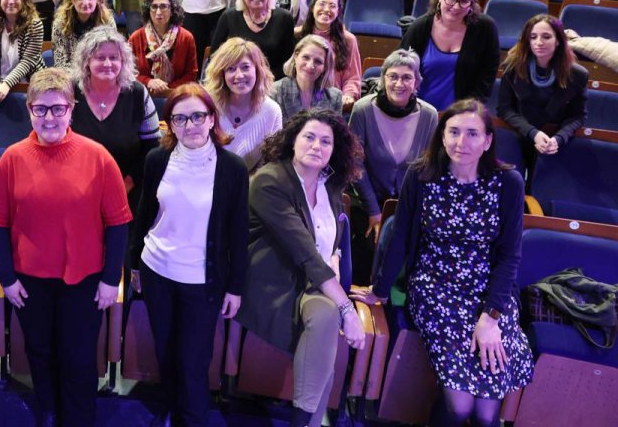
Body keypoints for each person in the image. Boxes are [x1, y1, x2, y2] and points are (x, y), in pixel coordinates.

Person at [356, 99, 534, 427]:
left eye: (471, 134)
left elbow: (509, 256)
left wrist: (490, 317)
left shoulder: (508, 183)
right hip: (436, 286)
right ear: (442, 135)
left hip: (491, 293)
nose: (460, 143)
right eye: (453, 132)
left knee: (485, 415)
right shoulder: (421, 176)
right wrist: (379, 290)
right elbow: (401, 240)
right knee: (462, 409)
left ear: (488, 141)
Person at [0, 67, 131, 427]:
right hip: (28, 283)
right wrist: (8, 277)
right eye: (40, 109)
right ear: (29, 109)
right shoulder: (13, 159)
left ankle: (78, 419)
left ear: (71, 108)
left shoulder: (98, 157)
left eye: (58, 108)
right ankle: (48, 412)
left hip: (84, 281)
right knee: (40, 352)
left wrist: (112, 279)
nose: (49, 117)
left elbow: (118, 223)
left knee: (79, 357)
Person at [128, 83, 248, 427]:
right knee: (165, 351)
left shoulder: (232, 169)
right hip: (157, 272)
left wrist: (235, 287)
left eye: (198, 116)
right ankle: (170, 407)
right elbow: (145, 215)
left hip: (203, 282)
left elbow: (239, 233)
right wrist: (135, 265)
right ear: (170, 125)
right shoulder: (157, 160)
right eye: (180, 119)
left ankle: (191, 418)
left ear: (212, 119)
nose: (190, 125)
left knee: (193, 360)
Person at [238, 110, 367, 427]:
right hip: (272, 281)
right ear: (292, 140)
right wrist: (347, 310)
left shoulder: (330, 187)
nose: (317, 145)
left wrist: (336, 280)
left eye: (326, 141)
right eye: (309, 136)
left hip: (311, 282)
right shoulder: (270, 180)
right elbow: (305, 252)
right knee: (331, 317)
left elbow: (331, 246)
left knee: (325, 318)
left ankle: (305, 421)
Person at [347, 48, 438, 280]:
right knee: (368, 249)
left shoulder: (429, 115)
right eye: (393, 76)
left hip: (408, 202)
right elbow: (355, 163)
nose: (399, 83)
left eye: (407, 77)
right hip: (367, 201)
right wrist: (374, 210)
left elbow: (429, 166)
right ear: (383, 79)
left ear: (417, 82)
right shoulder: (363, 109)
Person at [70, 26, 161, 210]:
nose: (108, 63)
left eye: (114, 57)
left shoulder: (137, 93)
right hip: (76, 190)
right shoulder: (70, 91)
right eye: (100, 57)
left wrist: (127, 184)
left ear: (123, 61)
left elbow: (152, 147)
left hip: (129, 191)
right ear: (86, 61)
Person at [497, 14, 588, 170]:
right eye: (533, 37)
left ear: (558, 41)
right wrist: (533, 133)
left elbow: (578, 116)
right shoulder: (512, 67)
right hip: (521, 134)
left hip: (555, 142)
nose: (539, 42)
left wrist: (559, 138)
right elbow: (504, 109)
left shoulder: (578, 75)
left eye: (546, 37)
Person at [401, 0, 500, 111]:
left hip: (463, 114)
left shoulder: (485, 28)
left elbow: (488, 74)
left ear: (472, 2)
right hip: (418, 111)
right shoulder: (420, 27)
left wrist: (467, 109)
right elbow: (401, 66)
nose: (456, 7)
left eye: (464, 1)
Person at [204, 37, 284, 163]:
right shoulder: (207, 105)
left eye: (245, 67)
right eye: (231, 69)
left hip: (253, 181)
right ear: (221, 74)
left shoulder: (272, 111)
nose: (239, 75)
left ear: (258, 70)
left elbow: (273, 161)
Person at [208, 0, 297, 80]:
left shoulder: (284, 18)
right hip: (236, 81)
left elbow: (288, 62)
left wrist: (262, 80)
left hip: (272, 84)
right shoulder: (228, 17)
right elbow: (215, 58)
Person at [297, 0, 363, 106]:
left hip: (333, 103)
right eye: (322, 4)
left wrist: (348, 95)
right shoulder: (297, 35)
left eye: (332, 6)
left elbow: (353, 77)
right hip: (299, 100)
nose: (326, 9)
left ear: (338, 12)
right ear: (312, 8)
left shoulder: (348, 40)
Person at [131, 0, 200, 96]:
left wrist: (167, 89)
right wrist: (149, 82)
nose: (158, 12)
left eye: (163, 6)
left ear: (172, 10)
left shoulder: (186, 37)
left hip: (177, 95)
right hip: (143, 95)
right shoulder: (136, 38)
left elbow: (191, 74)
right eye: (154, 7)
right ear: (148, 11)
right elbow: (129, 72)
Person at [271, 35, 344, 121]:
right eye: (306, 57)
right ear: (296, 56)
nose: (310, 66)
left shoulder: (334, 97)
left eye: (318, 61)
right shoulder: (275, 91)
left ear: (325, 67)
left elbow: (336, 133)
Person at [51, 0, 115, 68]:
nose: (85, 2)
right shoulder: (60, 24)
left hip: (100, 72)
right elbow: (60, 63)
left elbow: (112, 55)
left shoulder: (107, 21)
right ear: (73, 0)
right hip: (71, 77)